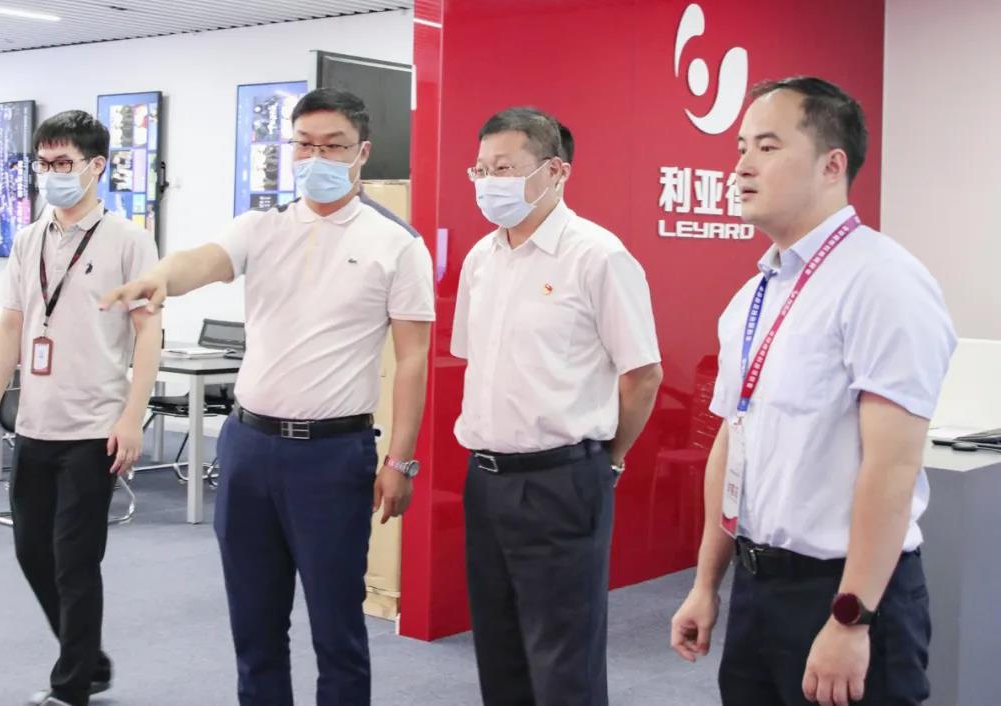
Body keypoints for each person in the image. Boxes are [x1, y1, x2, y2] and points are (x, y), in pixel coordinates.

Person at [101, 88, 435, 706]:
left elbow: (414, 359)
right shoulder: (263, 225)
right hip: (248, 447)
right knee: (254, 626)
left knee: (337, 629)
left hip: (333, 456)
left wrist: (401, 460)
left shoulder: (397, 243)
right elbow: (203, 261)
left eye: (333, 146)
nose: (316, 157)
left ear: (362, 153)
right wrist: (159, 277)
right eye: (304, 144)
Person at [670, 77, 956, 706]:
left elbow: (892, 467)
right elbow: (731, 443)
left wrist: (851, 618)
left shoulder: (882, 282)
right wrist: (706, 583)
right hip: (757, 590)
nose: (742, 166)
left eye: (767, 147)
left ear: (832, 165)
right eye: (741, 147)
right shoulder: (753, 296)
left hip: (847, 595)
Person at [452, 106, 663, 706]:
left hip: (561, 480)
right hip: (485, 478)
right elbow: (474, 360)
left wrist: (607, 460)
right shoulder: (480, 259)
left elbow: (644, 374)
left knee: (564, 656)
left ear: (556, 171)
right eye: (481, 169)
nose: (488, 182)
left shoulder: (597, 255)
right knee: (498, 646)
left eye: (505, 168)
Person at [0, 110, 162, 706]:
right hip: (36, 422)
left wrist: (132, 416)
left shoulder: (129, 240)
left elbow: (148, 333)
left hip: (95, 425)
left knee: (75, 561)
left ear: (96, 166)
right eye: (43, 163)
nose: (50, 173)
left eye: (62, 163)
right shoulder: (28, 240)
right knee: (32, 552)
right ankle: (91, 657)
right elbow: (10, 328)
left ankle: (72, 684)